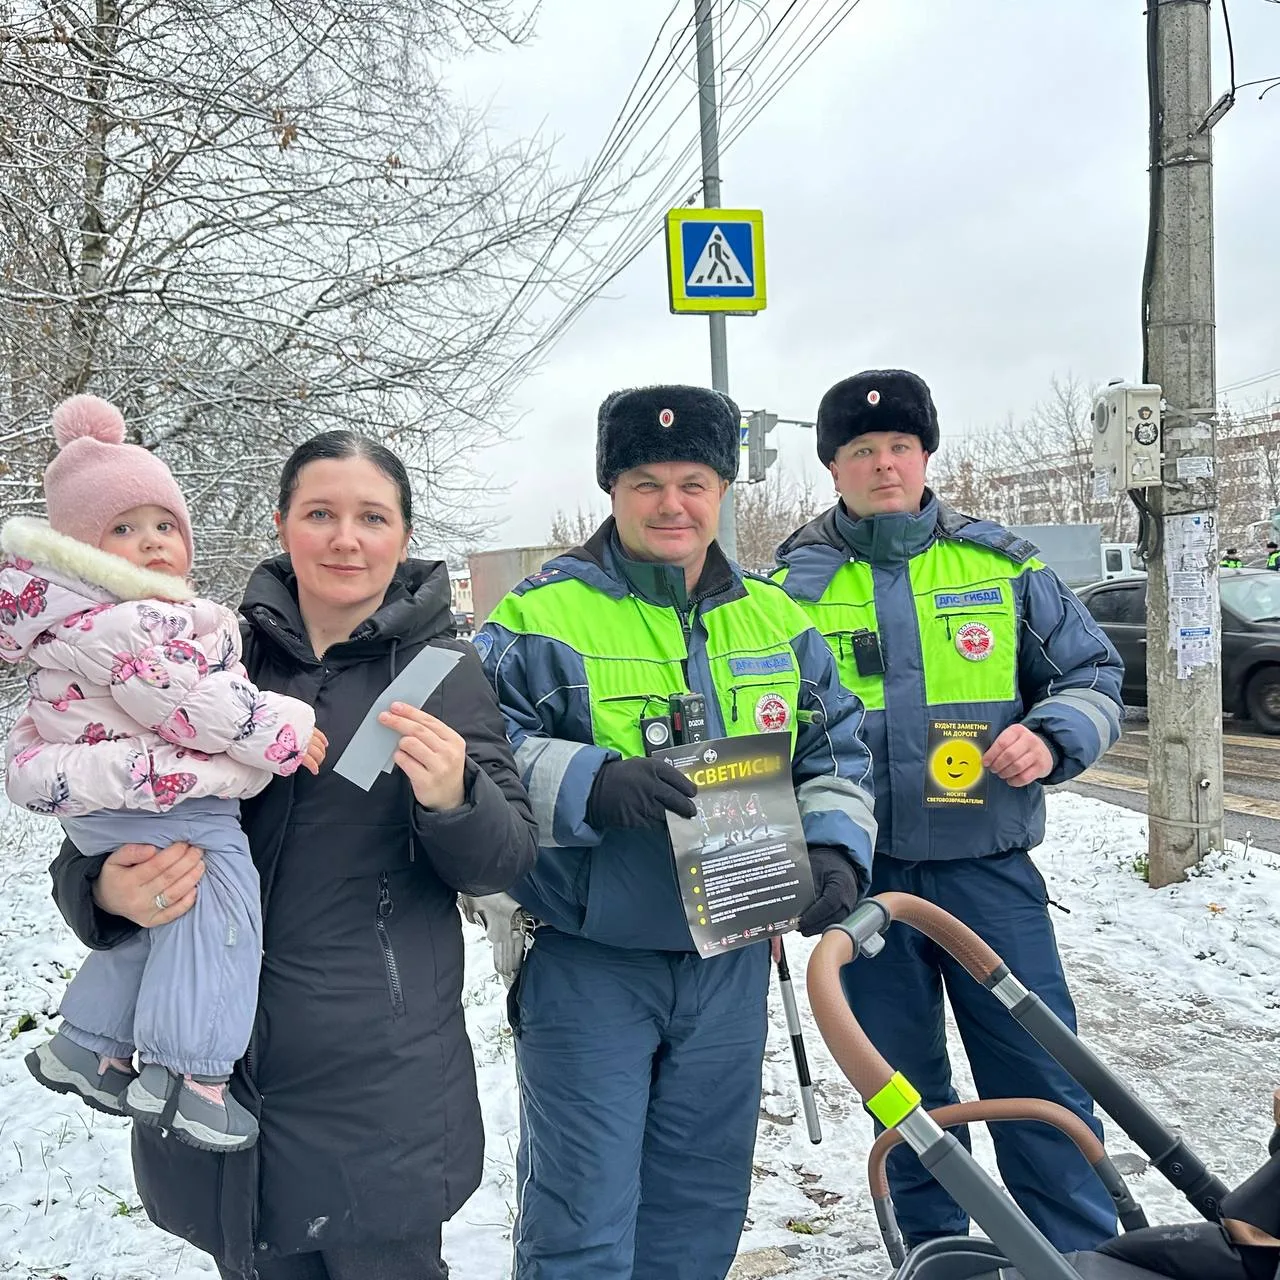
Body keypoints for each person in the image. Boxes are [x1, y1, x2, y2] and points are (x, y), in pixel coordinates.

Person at [46, 429, 538, 1279]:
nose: (346, 538)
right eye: (320, 513)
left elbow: (504, 860)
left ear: (404, 538)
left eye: (371, 517)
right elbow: (95, 815)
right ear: (282, 526)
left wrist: (455, 797)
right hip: (212, 1066)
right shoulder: (199, 653)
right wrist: (104, 891)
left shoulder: (441, 673)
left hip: (379, 1087)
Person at [473, 384, 878, 1280]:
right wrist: (586, 780)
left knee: (699, 1203)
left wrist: (834, 850)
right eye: (647, 482)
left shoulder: (776, 619)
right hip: (590, 960)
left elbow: (837, 749)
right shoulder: (537, 617)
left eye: (693, 481)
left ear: (723, 488)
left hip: (730, 963)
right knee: (582, 1211)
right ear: (611, 490)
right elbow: (473, 752)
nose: (672, 504)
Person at [773, 369, 1125, 1255]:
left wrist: (1050, 737)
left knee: (1037, 1076)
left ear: (926, 454)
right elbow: (760, 726)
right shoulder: (789, 587)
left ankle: (1073, 1257)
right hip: (862, 886)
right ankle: (938, 1256)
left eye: (900, 447)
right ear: (834, 468)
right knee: (901, 1090)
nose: (884, 465)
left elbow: (1093, 674)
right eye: (862, 451)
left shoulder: (1002, 565)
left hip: (988, 876)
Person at [2, 394, 324, 1152]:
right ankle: (191, 1079)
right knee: (221, 915)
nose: (152, 543)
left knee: (163, 924)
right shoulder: (126, 622)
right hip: (155, 794)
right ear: (84, 547)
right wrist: (287, 730)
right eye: (124, 528)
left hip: (114, 792)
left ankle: (88, 1045)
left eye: (164, 526)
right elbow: (188, 702)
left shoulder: (94, 617)